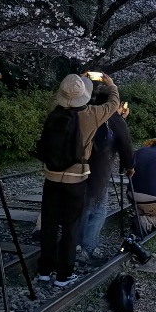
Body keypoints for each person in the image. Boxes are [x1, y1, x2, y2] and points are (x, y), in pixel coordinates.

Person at [37, 72, 119, 287]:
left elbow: (57, 97)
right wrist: (110, 85)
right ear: (84, 95)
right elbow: (114, 104)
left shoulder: (53, 110)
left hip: (51, 176)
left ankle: (44, 271)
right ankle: (64, 275)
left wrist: (72, 82)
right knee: (70, 227)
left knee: (49, 223)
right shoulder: (92, 114)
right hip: (76, 178)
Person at [78, 92, 135, 264]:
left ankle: (76, 246)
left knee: (83, 207)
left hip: (79, 167)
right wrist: (130, 166)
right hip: (99, 168)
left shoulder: (89, 112)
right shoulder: (114, 119)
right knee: (98, 208)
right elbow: (125, 143)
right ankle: (88, 248)